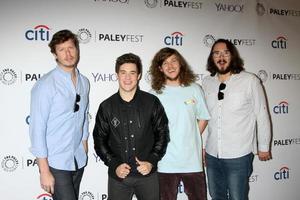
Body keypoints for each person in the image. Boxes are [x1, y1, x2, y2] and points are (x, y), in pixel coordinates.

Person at [93, 53, 169, 200]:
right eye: (123, 72)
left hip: (147, 176)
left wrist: (151, 161)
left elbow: (163, 135)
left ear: (139, 75)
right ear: (117, 75)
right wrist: (114, 164)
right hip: (118, 177)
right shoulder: (106, 106)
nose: (128, 78)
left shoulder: (152, 102)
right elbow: (99, 140)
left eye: (132, 73)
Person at [202, 39, 272, 200]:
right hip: (212, 155)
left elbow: (261, 114)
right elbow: (205, 117)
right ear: (212, 58)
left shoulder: (250, 81)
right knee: (216, 196)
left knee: (237, 197)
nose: (221, 57)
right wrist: (203, 146)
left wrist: (263, 146)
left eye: (225, 53)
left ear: (232, 55)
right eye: (216, 53)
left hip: (239, 155)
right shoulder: (206, 82)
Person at [29, 30, 90, 200]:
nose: (68, 54)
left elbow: (84, 114)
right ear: (55, 54)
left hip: (78, 157)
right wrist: (44, 170)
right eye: (62, 49)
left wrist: (84, 143)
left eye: (70, 48)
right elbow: (37, 128)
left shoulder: (84, 82)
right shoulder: (45, 84)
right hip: (56, 161)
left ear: (77, 49)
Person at [149, 47, 210, 200]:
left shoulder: (195, 89)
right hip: (165, 162)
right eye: (165, 63)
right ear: (160, 68)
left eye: (173, 61)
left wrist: (191, 134)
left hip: (192, 161)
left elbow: (203, 117)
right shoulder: (153, 95)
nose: (170, 66)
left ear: (180, 63)